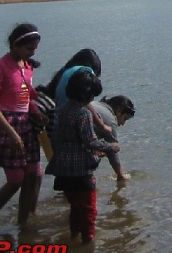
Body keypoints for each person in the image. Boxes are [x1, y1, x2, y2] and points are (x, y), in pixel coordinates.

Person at [0, 23, 48, 230]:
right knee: (16, 179)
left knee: (34, 175)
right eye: (28, 49)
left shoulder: (27, 67)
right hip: (5, 126)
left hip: (25, 123)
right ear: (15, 45)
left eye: (34, 49)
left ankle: (23, 223)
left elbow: (25, 96)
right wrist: (11, 134)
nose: (32, 53)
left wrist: (37, 112)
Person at [46, 70, 119, 244]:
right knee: (88, 209)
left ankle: (73, 236)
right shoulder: (83, 113)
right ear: (87, 94)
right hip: (80, 172)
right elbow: (90, 141)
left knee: (74, 207)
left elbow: (59, 138)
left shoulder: (62, 110)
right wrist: (110, 147)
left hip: (62, 169)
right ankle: (88, 242)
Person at [45, 48, 110, 135]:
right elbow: (86, 102)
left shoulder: (66, 70)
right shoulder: (86, 73)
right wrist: (102, 125)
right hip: (68, 127)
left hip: (55, 122)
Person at [91, 95, 136, 181]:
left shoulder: (97, 104)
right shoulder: (110, 119)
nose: (123, 123)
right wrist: (121, 175)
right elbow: (113, 151)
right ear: (119, 110)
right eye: (125, 118)